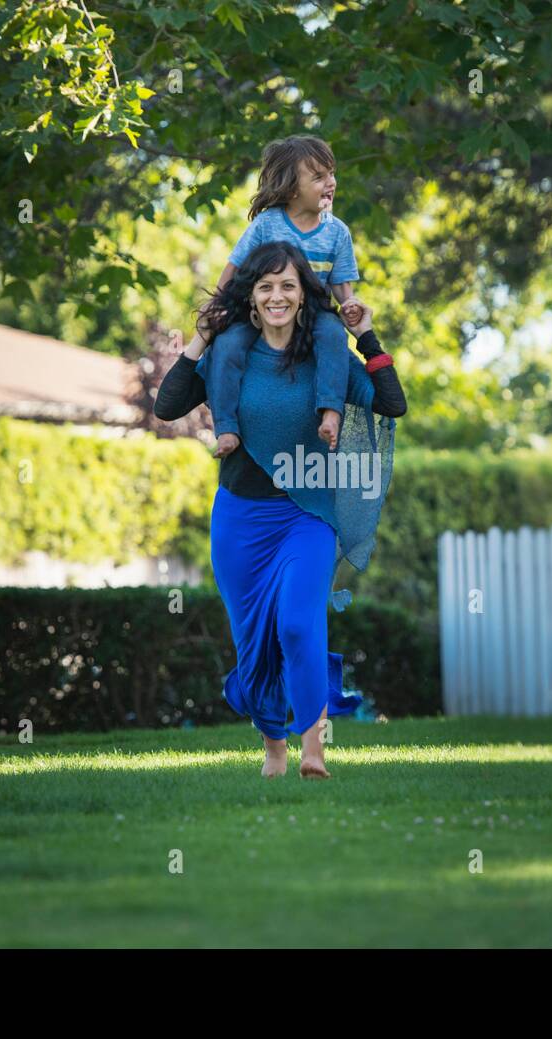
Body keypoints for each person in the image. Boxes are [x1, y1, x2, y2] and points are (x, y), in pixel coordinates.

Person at [154, 241, 406, 779]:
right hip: (241, 520)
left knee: (296, 624)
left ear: (302, 295)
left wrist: (365, 334)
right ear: (251, 297)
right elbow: (168, 404)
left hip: (308, 516)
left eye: (288, 286)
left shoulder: (326, 357)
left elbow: (391, 403)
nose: (277, 296)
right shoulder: (231, 355)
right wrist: (202, 333)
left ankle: (313, 748)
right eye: (266, 286)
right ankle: (274, 750)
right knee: (254, 645)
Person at [199, 135, 365, 459]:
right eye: (318, 177)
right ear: (292, 189)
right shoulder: (267, 225)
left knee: (333, 334)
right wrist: (218, 306)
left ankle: (331, 412)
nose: (330, 182)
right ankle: (226, 428)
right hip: (262, 312)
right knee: (228, 344)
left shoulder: (337, 232)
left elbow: (343, 288)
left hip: (313, 312)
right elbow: (233, 268)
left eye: (331, 173)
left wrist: (351, 307)